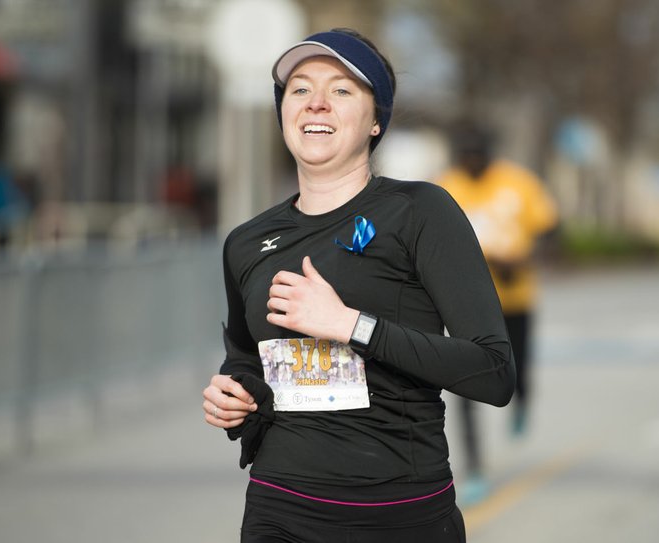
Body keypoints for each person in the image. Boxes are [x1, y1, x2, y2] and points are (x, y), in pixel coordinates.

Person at [202, 28, 515, 542]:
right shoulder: (245, 241)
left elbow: (494, 373)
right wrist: (235, 395)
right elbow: (245, 356)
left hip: (398, 513)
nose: (316, 103)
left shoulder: (419, 212)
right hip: (279, 507)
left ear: (375, 121)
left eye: (342, 90)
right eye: (300, 90)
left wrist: (350, 325)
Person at [437, 126, 558, 504]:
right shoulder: (444, 186)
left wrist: (524, 258)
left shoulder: (518, 183)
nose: (471, 164)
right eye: (465, 157)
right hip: (464, 307)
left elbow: (550, 230)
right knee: (465, 388)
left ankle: (521, 400)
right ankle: (474, 466)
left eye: (478, 157)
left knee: (517, 366)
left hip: (514, 298)